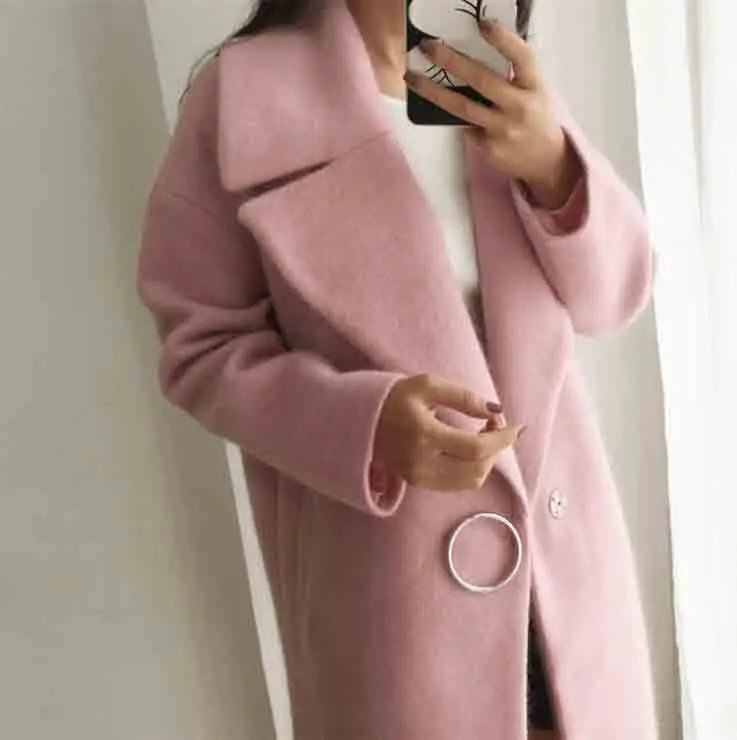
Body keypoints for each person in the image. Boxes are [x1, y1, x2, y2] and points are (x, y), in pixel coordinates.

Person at [136, 0, 659, 738]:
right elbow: (202, 347)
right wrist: (366, 425)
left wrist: (555, 168)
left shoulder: (491, 72)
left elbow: (614, 298)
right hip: (398, 611)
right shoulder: (244, 97)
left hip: (567, 577)